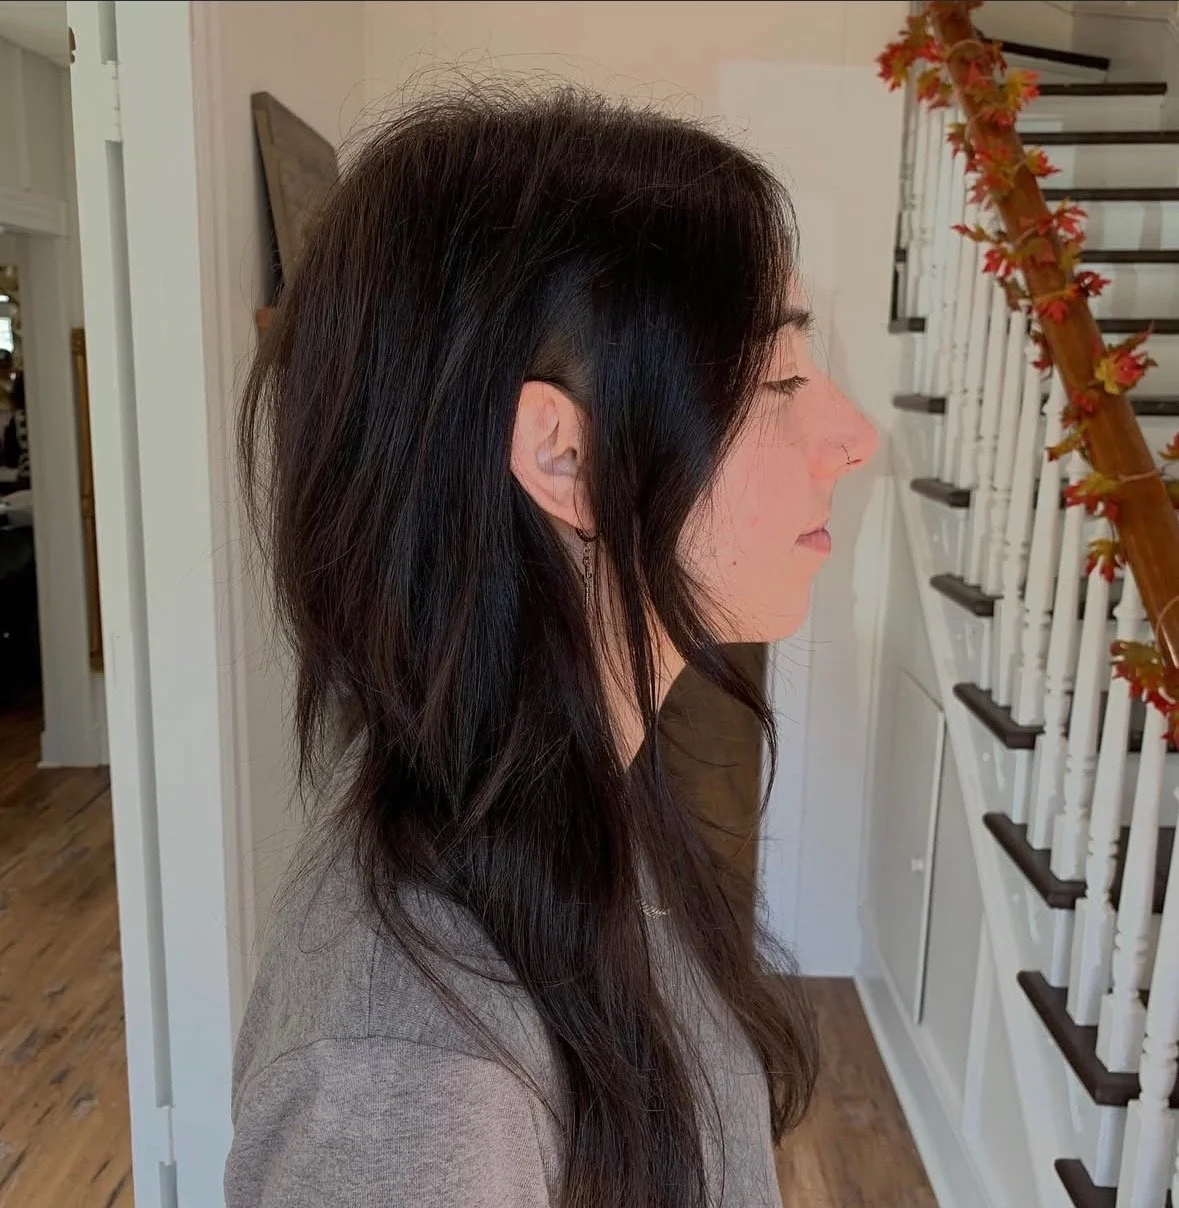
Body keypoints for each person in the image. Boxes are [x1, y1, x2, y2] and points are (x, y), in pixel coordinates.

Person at [227, 86, 876, 1208]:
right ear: (563, 455)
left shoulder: (568, 811)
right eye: (777, 377)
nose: (853, 435)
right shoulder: (415, 1081)